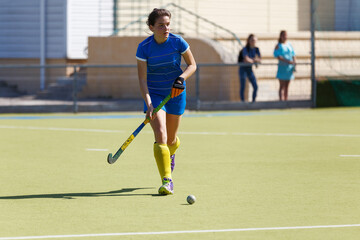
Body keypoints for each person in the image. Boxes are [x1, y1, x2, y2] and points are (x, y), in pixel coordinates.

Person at [136, 8, 196, 195]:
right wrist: (149, 103)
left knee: (170, 139)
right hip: (154, 93)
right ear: (151, 27)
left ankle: (171, 152)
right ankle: (167, 181)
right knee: (160, 134)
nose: (165, 28)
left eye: (168, 24)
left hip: (175, 93)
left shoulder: (178, 42)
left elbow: (192, 65)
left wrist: (182, 78)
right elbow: (142, 79)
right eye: (161, 25)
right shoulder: (144, 48)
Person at [238, 34, 261, 102]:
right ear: (249, 41)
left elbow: (259, 59)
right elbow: (246, 59)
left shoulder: (256, 49)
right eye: (252, 40)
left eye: (254, 40)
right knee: (243, 86)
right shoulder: (245, 49)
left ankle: (253, 101)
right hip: (243, 69)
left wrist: (253, 61)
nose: (253, 42)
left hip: (249, 69)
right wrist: (254, 60)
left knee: (255, 86)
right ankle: (243, 101)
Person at [273, 30, 296, 101]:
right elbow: (278, 56)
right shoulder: (278, 45)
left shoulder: (289, 44)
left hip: (289, 68)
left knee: (287, 86)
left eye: (286, 35)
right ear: (280, 36)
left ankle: (286, 100)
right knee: (281, 86)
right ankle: (281, 101)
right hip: (282, 68)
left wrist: (294, 63)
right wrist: (288, 61)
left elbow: (293, 54)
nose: (285, 37)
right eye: (283, 35)